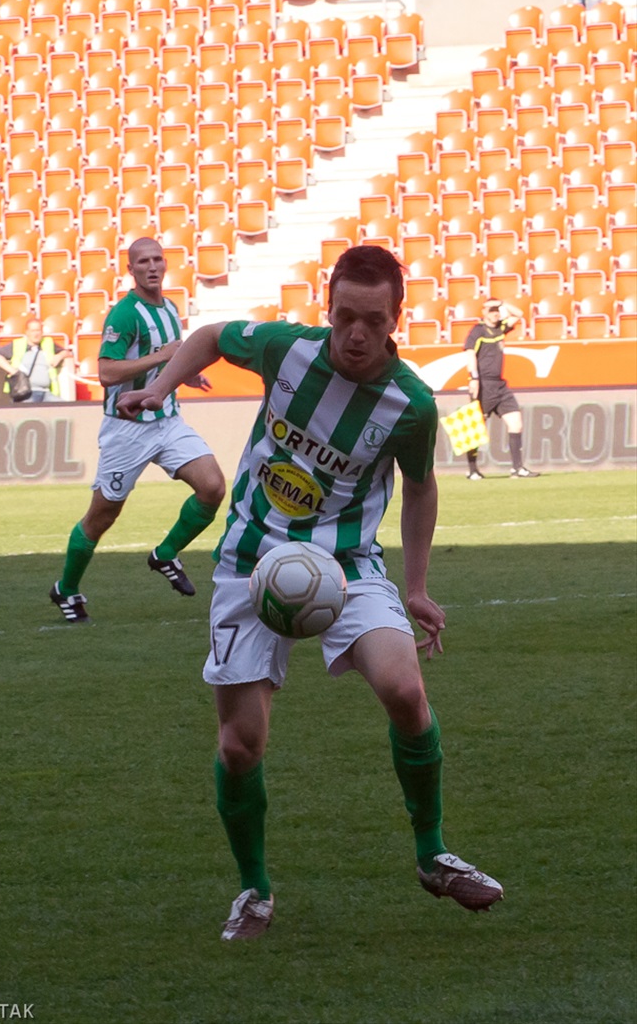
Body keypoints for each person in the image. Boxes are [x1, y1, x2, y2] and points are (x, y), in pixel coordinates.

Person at [117, 245, 504, 941]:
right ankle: (255, 891)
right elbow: (210, 335)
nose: (356, 333)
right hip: (250, 561)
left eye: (373, 321)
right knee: (241, 746)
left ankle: (432, 854)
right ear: (328, 306)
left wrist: (416, 587)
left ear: (396, 320)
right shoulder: (286, 350)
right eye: (344, 316)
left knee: (405, 690)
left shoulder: (411, 405)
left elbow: (420, 488)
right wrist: (158, 388)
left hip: (348, 565)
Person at [49, 237, 225, 624]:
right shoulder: (125, 315)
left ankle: (166, 554)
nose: (152, 266)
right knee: (102, 516)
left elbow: (168, 361)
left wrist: (186, 375)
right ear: (131, 270)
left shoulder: (170, 308)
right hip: (126, 430)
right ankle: (66, 588)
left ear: (166, 264)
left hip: (168, 421)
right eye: (143, 261)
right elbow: (106, 373)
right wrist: (161, 356)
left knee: (212, 487)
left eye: (157, 259)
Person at [464, 299, 540, 480]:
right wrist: (474, 378)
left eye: (497, 310)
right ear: (484, 312)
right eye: (491, 310)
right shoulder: (478, 331)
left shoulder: (500, 328)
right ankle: (472, 469)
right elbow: (470, 354)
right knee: (476, 428)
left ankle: (517, 468)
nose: (495, 313)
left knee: (516, 422)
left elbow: (519, 314)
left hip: (500, 385)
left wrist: (504, 303)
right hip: (484, 385)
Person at [0, 318, 72, 402]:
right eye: (33, 331)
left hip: (47, 392)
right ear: (27, 332)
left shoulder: (48, 343)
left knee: (64, 407)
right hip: (26, 393)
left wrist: (59, 356)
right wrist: (13, 371)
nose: (36, 334)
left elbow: (67, 353)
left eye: (38, 330)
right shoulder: (18, 344)